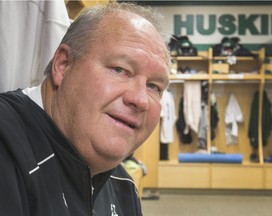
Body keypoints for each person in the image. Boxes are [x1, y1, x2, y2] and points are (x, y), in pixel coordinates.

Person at [0, 2, 170, 216]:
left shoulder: (123, 187)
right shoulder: (7, 148)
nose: (141, 100)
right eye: (120, 70)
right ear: (63, 64)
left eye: (154, 86)